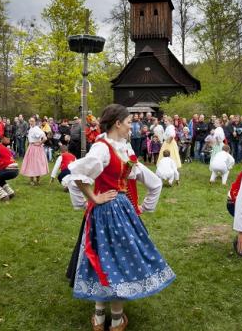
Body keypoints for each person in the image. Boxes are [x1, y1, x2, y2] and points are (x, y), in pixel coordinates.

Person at [65, 104, 173, 331]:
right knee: (112, 260)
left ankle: (104, 319)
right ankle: (110, 319)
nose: (131, 126)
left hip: (120, 210)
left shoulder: (123, 148)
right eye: (128, 122)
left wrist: (91, 199)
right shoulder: (102, 148)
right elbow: (77, 175)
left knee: (109, 260)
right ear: (117, 123)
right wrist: (93, 197)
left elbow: (146, 179)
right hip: (108, 212)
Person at [21, 116, 49, 185]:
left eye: (33, 121)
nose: (31, 122)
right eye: (30, 121)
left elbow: (45, 138)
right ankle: (31, 180)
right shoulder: (30, 129)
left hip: (37, 148)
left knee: (37, 163)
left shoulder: (37, 129)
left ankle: (38, 180)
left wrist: (40, 143)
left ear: (35, 122)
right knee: (31, 163)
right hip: (31, 147)